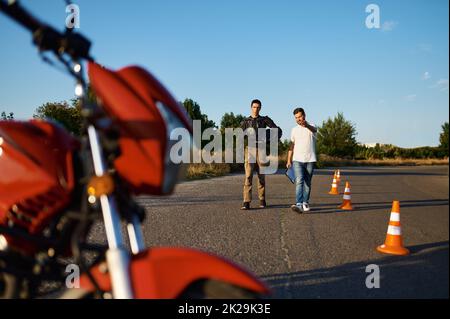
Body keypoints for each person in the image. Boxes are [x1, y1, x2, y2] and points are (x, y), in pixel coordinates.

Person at [240, 99, 282, 210]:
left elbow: (277, 130)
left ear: (260, 108)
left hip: (262, 149)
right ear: (251, 107)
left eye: (258, 107)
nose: (256, 109)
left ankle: (262, 199)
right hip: (249, 149)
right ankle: (246, 201)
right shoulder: (245, 121)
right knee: (248, 176)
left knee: (261, 176)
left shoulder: (264, 120)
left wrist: (269, 139)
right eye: (254, 107)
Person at [286, 107, 317, 213]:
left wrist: (306, 125)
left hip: (310, 159)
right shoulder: (294, 130)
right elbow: (292, 145)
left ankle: (305, 202)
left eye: (300, 116)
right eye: (296, 118)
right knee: (299, 181)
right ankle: (299, 204)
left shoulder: (312, 126)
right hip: (297, 160)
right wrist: (288, 159)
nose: (298, 119)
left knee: (307, 182)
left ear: (304, 115)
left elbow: (315, 130)